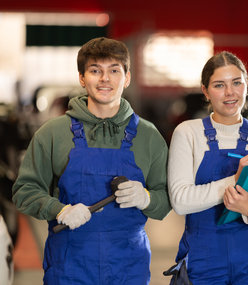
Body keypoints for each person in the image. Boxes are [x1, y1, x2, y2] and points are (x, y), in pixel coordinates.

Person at [12, 37, 171, 284]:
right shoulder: (53, 133)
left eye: (114, 71)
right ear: (82, 78)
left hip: (128, 268)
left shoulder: (149, 137)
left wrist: (147, 198)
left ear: (127, 78)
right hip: (69, 266)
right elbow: (25, 191)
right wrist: (60, 210)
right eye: (95, 70)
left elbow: (166, 200)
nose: (105, 79)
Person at [168, 51, 248, 284]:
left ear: (246, 85)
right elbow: (180, 201)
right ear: (205, 91)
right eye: (219, 85)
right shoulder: (188, 133)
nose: (230, 92)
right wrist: (234, 180)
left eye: (237, 83)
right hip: (204, 259)